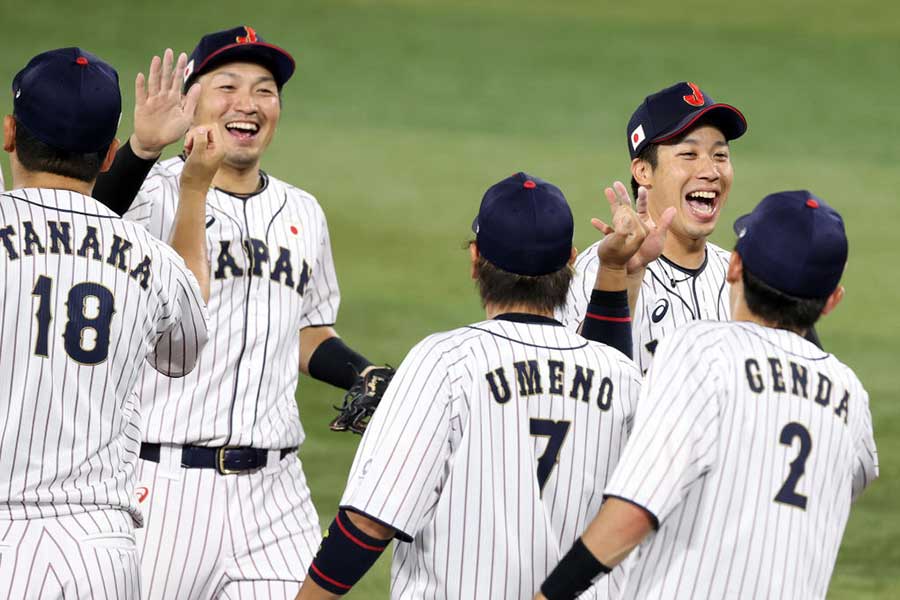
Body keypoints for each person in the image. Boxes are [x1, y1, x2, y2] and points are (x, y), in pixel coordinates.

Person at [92, 27, 390, 599]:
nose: (248, 104)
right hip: (164, 486)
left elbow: (305, 329)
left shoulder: (303, 211)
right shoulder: (148, 195)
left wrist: (358, 372)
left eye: (265, 90)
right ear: (190, 99)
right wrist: (143, 149)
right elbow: (85, 223)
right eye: (227, 85)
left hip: (276, 493)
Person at [294, 172, 646, 600]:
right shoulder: (623, 375)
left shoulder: (444, 362)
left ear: (476, 259)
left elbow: (368, 524)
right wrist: (613, 270)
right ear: (571, 262)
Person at [537, 191, 879, 600]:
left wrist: (549, 596)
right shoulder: (851, 399)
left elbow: (635, 509)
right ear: (832, 301)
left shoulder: (701, 351)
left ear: (734, 266)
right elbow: (851, 477)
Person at [0, 47, 211, 599]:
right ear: (110, 151)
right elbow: (187, 345)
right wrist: (193, 191)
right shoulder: (151, 260)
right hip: (99, 548)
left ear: (9, 133)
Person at [558, 81, 748, 369]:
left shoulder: (739, 278)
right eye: (689, 155)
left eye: (720, 155)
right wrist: (623, 278)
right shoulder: (597, 273)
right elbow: (575, 387)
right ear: (644, 171)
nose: (711, 172)